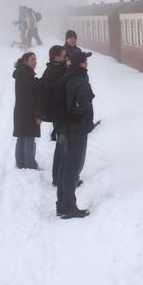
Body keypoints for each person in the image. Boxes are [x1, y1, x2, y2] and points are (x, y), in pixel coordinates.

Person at [56, 47, 95, 219]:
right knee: (73, 169)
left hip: (65, 129)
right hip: (76, 131)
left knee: (65, 168)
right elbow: (82, 104)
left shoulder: (66, 77)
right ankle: (68, 207)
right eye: (85, 60)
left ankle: (62, 204)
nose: (87, 63)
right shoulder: (80, 81)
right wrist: (81, 115)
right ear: (82, 63)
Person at [40, 44, 68, 187]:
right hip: (60, 115)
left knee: (61, 145)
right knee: (63, 146)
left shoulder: (54, 70)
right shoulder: (55, 72)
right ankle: (59, 178)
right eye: (64, 55)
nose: (66, 57)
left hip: (59, 114)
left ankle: (60, 176)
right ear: (57, 57)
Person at [13, 51, 42, 169]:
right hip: (28, 112)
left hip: (20, 111)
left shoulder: (21, 74)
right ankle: (30, 165)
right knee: (29, 137)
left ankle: (20, 163)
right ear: (25, 61)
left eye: (35, 59)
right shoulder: (27, 76)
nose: (35, 62)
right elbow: (31, 98)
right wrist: (37, 115)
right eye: (32, 60)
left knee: (21, 136)